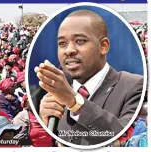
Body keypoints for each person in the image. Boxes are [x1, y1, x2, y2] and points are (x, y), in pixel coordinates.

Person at [36, 10, 144, 145]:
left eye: (80, 41)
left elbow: (125, 140)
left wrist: (74, 102)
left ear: (103, 46)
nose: (69, 50)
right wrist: (45, 125)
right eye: (62, 43)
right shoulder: (57, 92)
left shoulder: (133, 85)